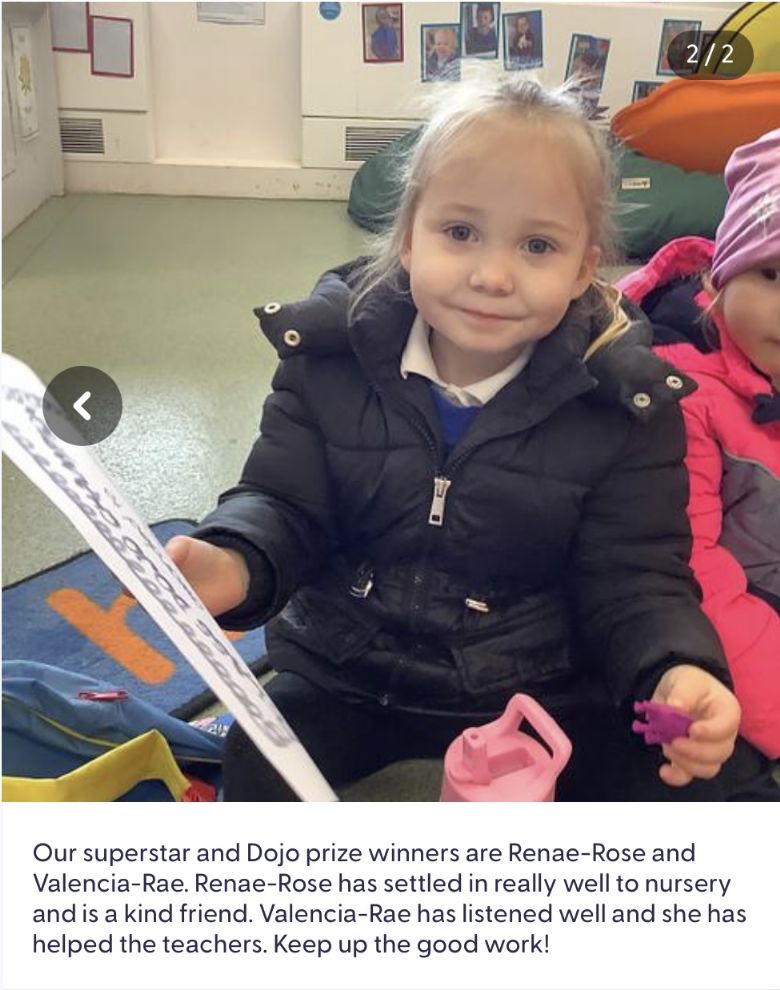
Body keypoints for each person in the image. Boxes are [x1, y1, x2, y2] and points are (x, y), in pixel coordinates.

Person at [168, 78, 780, 802]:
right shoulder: (329, 358)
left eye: (537, 245)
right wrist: (234, 558)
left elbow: (635, 576)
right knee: (256, 761)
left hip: (541, 685)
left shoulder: (626, 402)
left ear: (584, 268)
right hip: (348, 670)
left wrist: (675, 669)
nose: (492, 276)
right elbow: (284, 501)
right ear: (408, 238)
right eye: (460, 233)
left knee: (713, 783)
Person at [618, 128, 780, 760]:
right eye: (772, 273)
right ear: (718, 281)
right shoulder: (681, 395)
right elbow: (689, 571)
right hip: (731, 624)